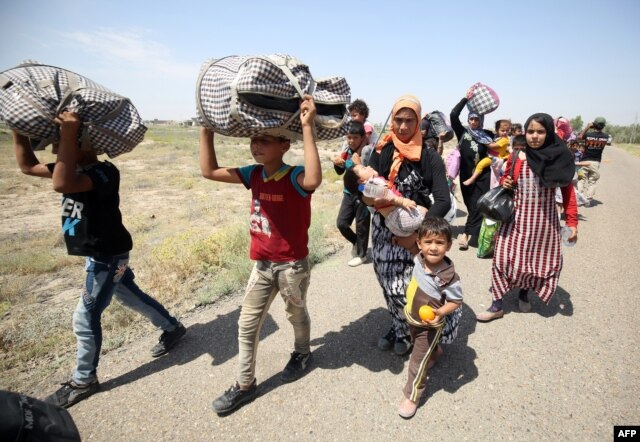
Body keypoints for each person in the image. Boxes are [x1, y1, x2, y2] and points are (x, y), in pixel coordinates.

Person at [12, 113, 186, 409]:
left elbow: (62, 184)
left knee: (85, 316)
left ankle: (84, 380)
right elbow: (28, 166)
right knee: (130, 296)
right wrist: (18, 129)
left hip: (107, 256)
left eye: (59, 144)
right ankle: (172, 327)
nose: (55, 150)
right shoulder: (72, 168)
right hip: (103, 254)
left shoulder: (103, 172)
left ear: (81, 143)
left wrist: (67, 134)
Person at [201, 95, 321, 414]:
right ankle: (244, 384)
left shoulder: (294, 177)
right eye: (254, 140)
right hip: (262, 267)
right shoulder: (253, 174)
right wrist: (206, 130)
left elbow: (313, 180)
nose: (257, 146)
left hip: (291, 268)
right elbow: (209, 171)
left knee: (295, 314)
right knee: (246, 324)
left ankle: (302, 352)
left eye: (265, 140)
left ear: (284, 145)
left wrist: (307, 126)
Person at [368, 95, 451, 356]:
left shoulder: (429, 157)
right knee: (388, 284)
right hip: (383, 230)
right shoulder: (380, 153)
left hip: (418, 234)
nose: (403, 127)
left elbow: (443, 201)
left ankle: (420, 333)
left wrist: (417, 237)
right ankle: (399, 327)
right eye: (398, 120)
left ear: (418, 123)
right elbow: (366, 187)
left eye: (409, 121)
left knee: (412, 289)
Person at [476, 113, 578, 322]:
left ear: (548, 133)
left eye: (540, 132)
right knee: (501, 259)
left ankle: (524, 293)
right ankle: (496, 305)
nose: (534, 136)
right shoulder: (517, 156)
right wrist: (505, 182)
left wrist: (572, 223)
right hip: (516, 219)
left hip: (544, 223)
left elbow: (568, 193)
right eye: (530, 131)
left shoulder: (559, 159)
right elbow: (508, 180)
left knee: (532, 262)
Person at [398, 217, 463, 419]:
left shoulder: (448, 276)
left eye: (439, 242)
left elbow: (456, 301)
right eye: (428, 242)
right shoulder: (419, 258)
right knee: (423, 347)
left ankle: (412, 396)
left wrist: (440, 313)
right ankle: (435, 351)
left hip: (430, 326)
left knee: (417, 362)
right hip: (412, 318)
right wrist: (396, 238)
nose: (433, 248)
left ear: (449, 245)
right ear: (419, 244)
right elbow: (406, 242)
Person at [450, 91, 494, 250]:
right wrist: (465, 98)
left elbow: (497, 151)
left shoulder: (488, 135)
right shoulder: (463, 132)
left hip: (483, 176)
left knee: (478, 204)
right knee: (471, 206)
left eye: (477, 119)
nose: (474, 121)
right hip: (466, 176)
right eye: (472, 118)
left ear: (481, 120)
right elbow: (454, 114)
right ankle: (476, 231)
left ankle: (465, 236)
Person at [343, 163, 427, 237]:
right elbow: (385, 196)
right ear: (361, 181)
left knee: (417, 234)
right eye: (364, 168)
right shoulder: (369, 188)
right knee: (425, 212)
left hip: (392, 223)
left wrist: (374, 174)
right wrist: (402, 201)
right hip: (398, 217)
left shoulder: (366, 189)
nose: (368, 166)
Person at [332, 121, 372, 266]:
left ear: (362, 137)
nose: (351, 141)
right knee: (341, 223)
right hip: (348, 193)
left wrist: (355, 163)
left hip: (363, 194)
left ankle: (362, 255)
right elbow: (340, 172)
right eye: (349, 137)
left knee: (362, 225)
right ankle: (356, 242)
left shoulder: (368, 152)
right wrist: (337, 163)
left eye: (355, 137)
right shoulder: (347, 152)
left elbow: (369, 173)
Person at [462, 119, 512, 186]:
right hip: (491, 156)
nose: (505, 132)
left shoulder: (504, 139)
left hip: (495, 158)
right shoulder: (497, 137)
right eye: (502, 130)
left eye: (507, 131)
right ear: (497, 130)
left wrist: (483, 141)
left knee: (481, 165)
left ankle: (472, 179)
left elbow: (493, 146)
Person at [577, 117, 609, 206]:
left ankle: (579, 199)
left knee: (581, 180)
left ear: (593, 124)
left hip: (584, 161)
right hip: (596, 162)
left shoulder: (587, 135)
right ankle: (588, 199)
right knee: (592, 181)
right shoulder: (606, 136)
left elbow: (579, 137)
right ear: (603, 126)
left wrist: (587, 127)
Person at [348, 99, 379, 166]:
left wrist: (357, 153)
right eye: (351, 116)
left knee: (365, 149)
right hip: (367, 148)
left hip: (374, 148)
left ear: (363, 115)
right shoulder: (359, 126)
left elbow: (365, 140)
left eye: (354, 115)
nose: (352, 118)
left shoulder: (367, 125)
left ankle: (363, 168)